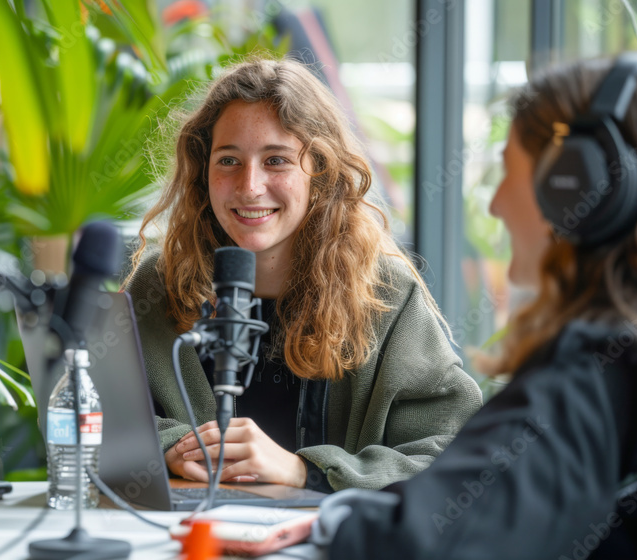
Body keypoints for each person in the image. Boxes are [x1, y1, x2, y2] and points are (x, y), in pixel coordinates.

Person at [313, 53, 637, 559]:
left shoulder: (591, 370)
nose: (496, 204)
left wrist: (331, 520)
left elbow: (421, 542)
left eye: (508, 171)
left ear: (578, 185)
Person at [124, 58, 482, 492]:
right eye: (228, 160)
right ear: (203, 171)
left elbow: (455, 452)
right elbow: (87, 412)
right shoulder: (158, 284)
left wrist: (304, 471)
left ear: (321, 170)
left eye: (276, 160)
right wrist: (171, 447)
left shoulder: (385, 295)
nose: (249, 186)